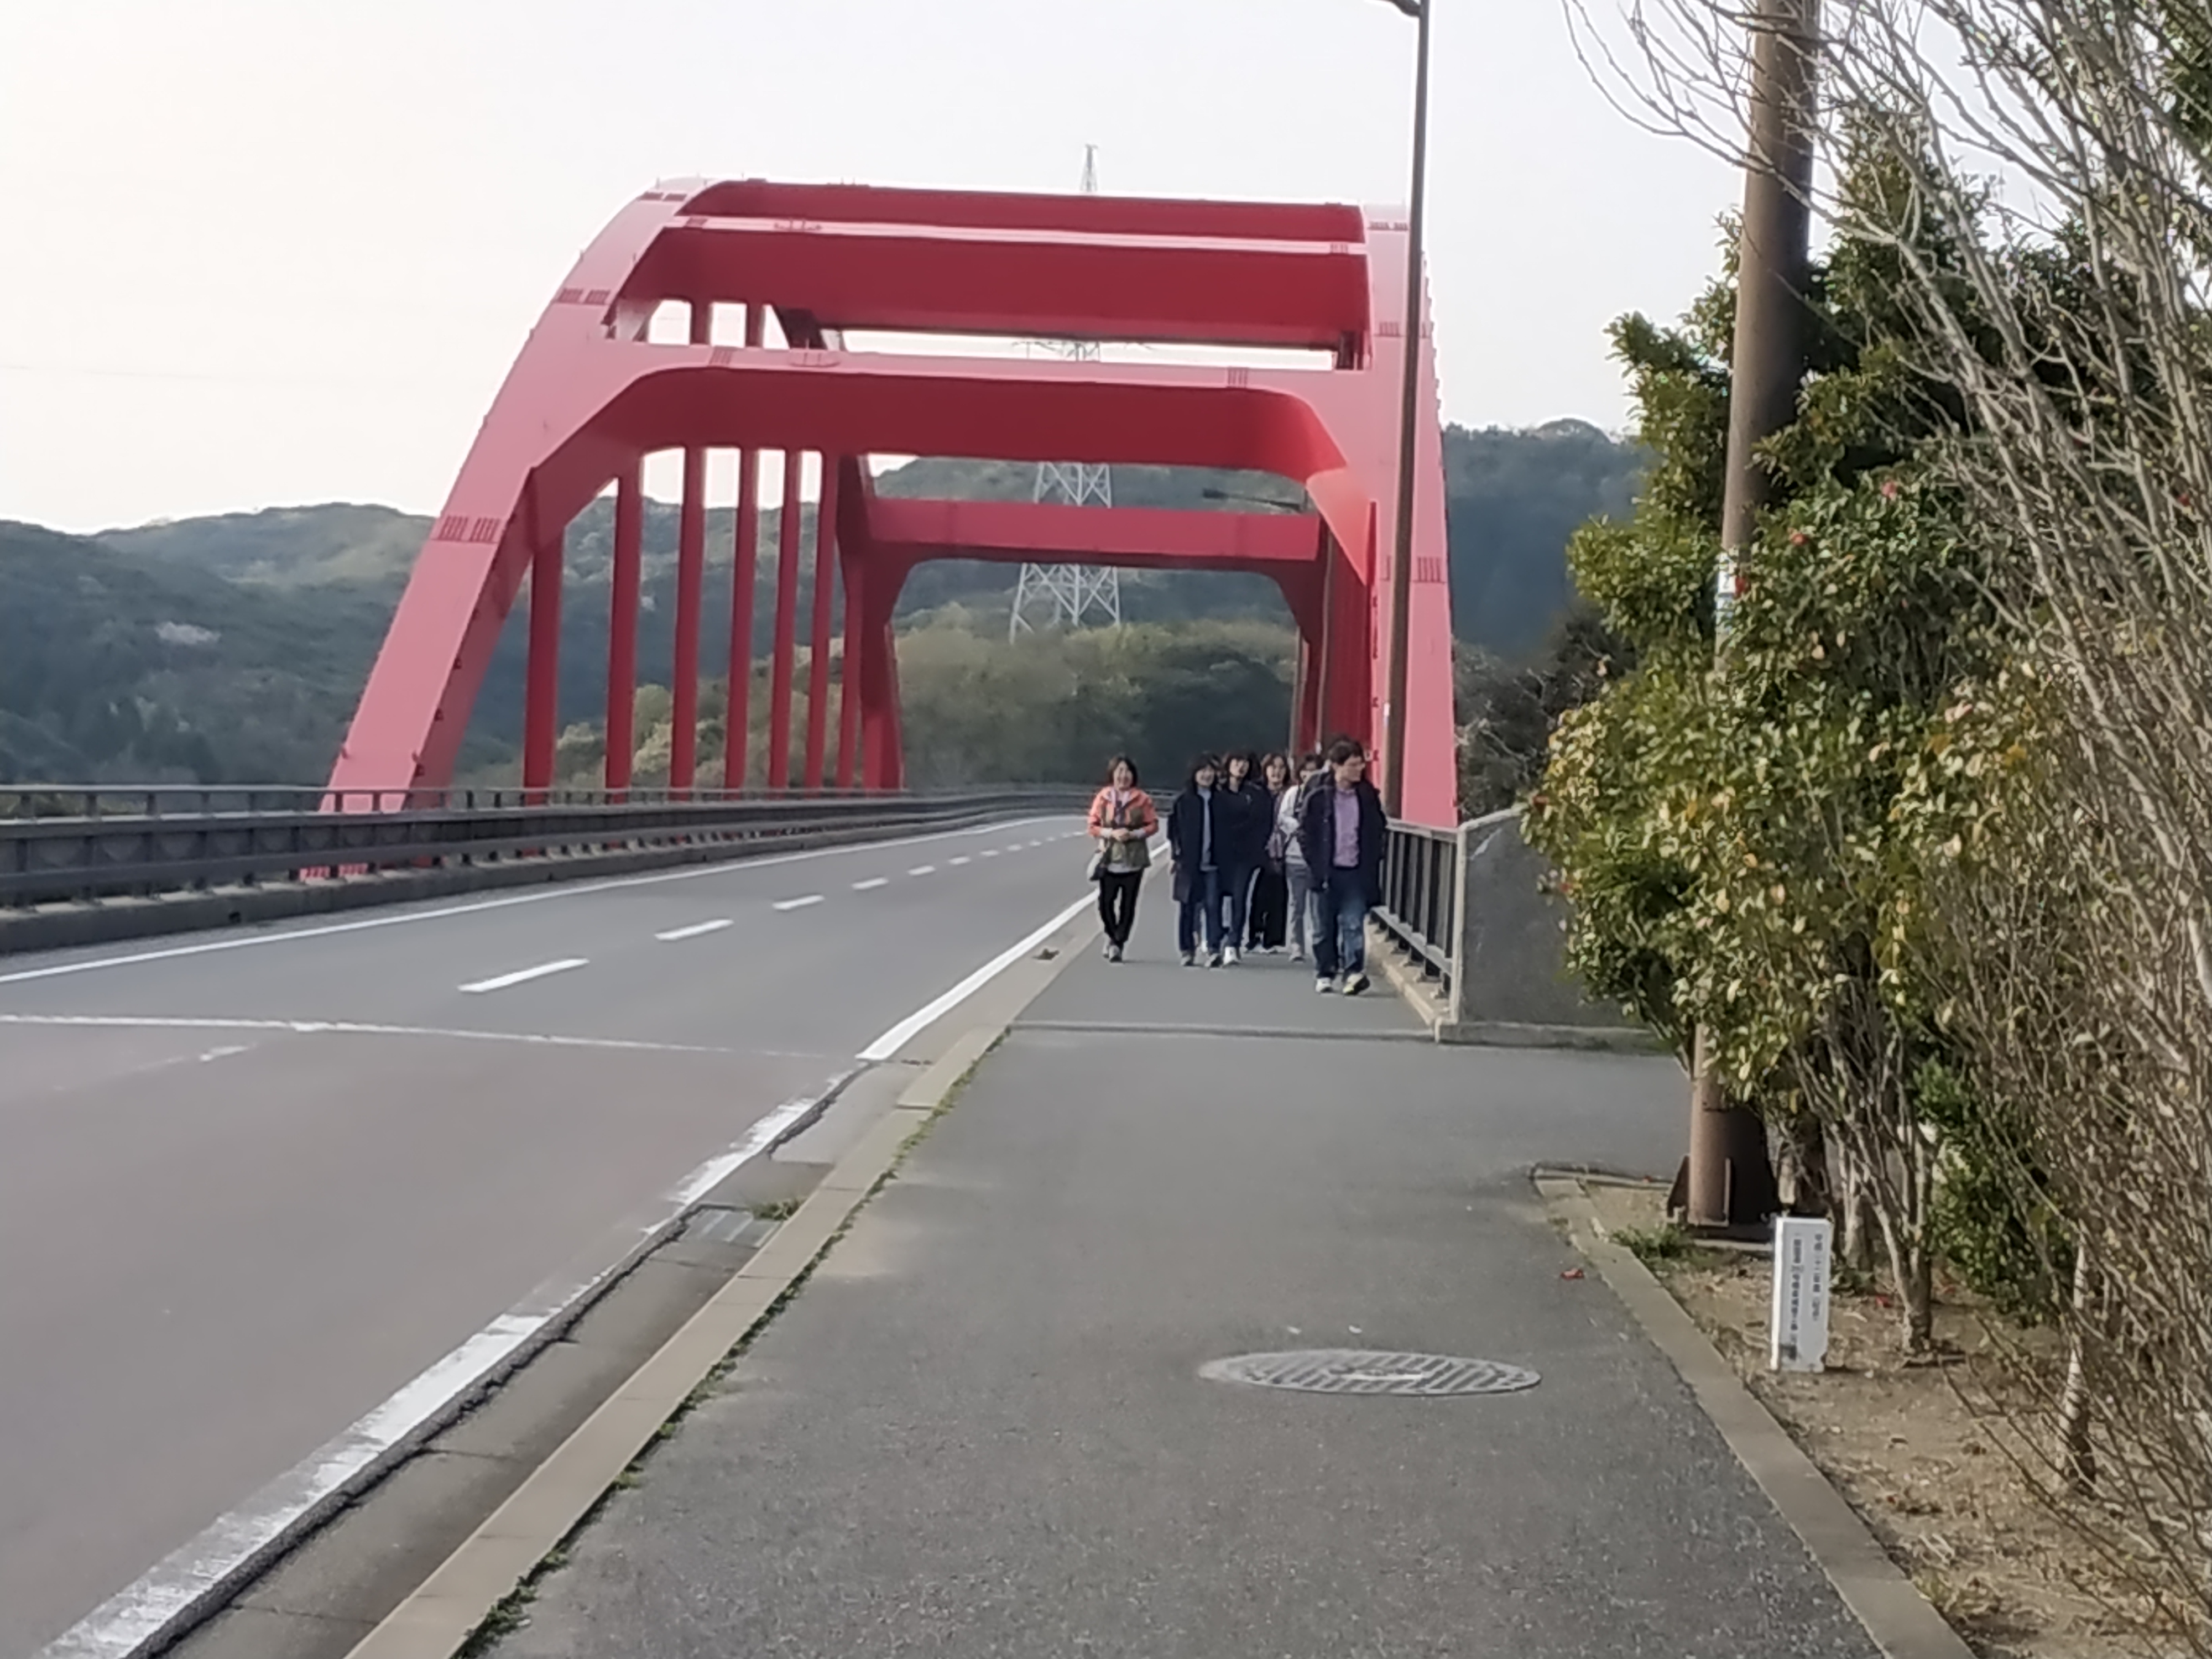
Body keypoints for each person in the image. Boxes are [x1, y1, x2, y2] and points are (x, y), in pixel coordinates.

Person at [1297, 737, 1387, 994]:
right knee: (1323, 928)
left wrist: (1374, 857)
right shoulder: (1319, 797)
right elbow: (1305, 832)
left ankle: (1353, 972)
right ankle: (1325, 972)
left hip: (1356, 871)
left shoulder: (1367, 796)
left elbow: (1378, 829)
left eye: (1361, 764)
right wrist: (1315, 863)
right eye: (1352, 765)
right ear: (1336, 766)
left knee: (1353, 923)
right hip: (1325, 871)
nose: (1359, 769)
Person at [1087, 755, 1157, 963]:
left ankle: (1119, 943)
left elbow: (1153, 825)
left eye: (1127, 771)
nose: (1123, 776)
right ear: (1112, 774)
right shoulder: (1103, 797)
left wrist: (1134, 834)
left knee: (1128, 904)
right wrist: (1110, 833)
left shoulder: (1142, 799)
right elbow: (1092, 825)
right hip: (1109, 858)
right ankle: (1111, 935)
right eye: (1119, 771)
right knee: (1105, 903)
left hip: (1134, 859)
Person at [1167, 754, 1228, 967]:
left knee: (1213, 905)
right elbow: (1173, 831)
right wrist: (1175, 856)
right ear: (1194, 774)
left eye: (1210, 771)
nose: (1207, 775)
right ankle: (1187, 950)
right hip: (1189, 862)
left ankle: (1213, 949)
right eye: (1202, 770)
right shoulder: (1184, 801)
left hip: (1214, 862)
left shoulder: (1221, 801)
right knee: (1188, 907)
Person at [1214, 749, 1271, 965]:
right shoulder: (1218, 792)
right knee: (1214, 898)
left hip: (1245, 855)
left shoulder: (1256, 794)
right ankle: (1215, 937)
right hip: (1219, 854)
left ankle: (1233, 942)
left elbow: (1263, 822)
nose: (1241, 766)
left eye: (1245, 762)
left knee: (1240, 898)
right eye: (1237, 762)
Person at [1277, 750, 1327, 962]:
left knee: (1319, 907)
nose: (1309, 775)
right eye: (1306, 771)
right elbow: (1283, 818)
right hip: (1295, 856)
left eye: (1314, 771)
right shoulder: (1294, 793)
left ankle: (1319, 944)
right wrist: (1300, 827)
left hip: (1318, 860)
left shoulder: (1326, 795)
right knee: (1297, 904)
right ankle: (1297, 944)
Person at [1244, 752, 1293, 952]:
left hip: (1283, 849)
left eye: (1281, 768)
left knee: (1279, 894)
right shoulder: (1256, 792)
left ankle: (1274, 939)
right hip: (1259, 848)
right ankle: (1255, 934)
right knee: (1257, 894)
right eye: (1273, 767)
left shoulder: (1291, 793)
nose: (1277, 772)